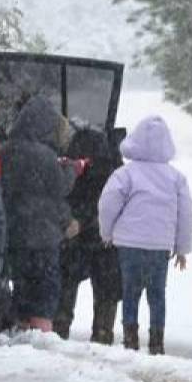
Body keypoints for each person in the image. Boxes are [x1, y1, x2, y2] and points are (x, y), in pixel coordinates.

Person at [98, 116, 192, 355]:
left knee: (130, 292)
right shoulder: (176, 178)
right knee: (157, 295)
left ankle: (130, 339)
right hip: (159, 246)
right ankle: (156, 342)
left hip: (128, 244)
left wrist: (107, 232)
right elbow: (186, 213)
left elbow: (108, 203)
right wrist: (182, 249)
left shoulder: (126, 174)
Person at [0, 96, 78, 332]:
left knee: (22, 284)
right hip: (43, 234)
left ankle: (21, 327)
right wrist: (71, 169)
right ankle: (42, 330)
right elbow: (60, 189)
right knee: (46, 286)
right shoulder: (44, 156)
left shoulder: (3, 151)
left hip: (14, 231)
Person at [53, 127, 124, 344]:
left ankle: (59, 330)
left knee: (67, 283)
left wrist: (76, 222)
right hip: (106, 241)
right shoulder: (115, 174)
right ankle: (103, 334)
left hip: (77, 239)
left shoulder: (72, 170)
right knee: (106, 291)